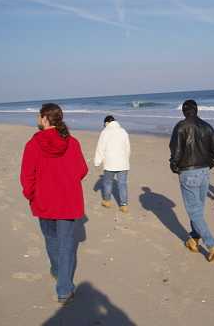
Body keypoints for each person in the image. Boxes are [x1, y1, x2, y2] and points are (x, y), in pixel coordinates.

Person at [20, 103, 88, 304]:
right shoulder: (71, 142)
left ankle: (62, 284)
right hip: (66, 200)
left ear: (44, 118)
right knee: (64, 244)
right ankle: (62, 279)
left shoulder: (33, 144)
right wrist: (67, 181)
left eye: (38, 116)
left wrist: (31, 195)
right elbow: (81, 170)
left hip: (45, 201)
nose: (37, 119)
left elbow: (26, 176)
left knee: (53, 240)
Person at [169, 99, 214, 262]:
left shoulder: (181, 127)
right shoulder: (207, 127)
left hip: (189, 172)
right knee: (198, 210)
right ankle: (193, 239)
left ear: (184, 111)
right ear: (196, 110)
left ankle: (212, 245)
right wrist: (207, 166)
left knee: (195, 212)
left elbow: (175, 150)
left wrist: (174, 165)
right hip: (204, 172)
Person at [94, 115, 131, 213]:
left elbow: (100, 148)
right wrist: (126, 158)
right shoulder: (123, 131)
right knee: (122, 184)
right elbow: (127, 148)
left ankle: (107, 201)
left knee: (107, 182)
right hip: (123, 163)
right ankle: (124, 205)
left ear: (106, 123)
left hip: (110, 162)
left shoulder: (105, 132)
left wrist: (97, 161)